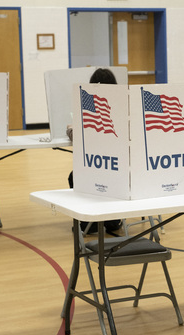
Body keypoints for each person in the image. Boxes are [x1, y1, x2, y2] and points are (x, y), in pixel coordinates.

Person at [68, 68, 122, 234]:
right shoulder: (122, 105)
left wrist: (70, 130)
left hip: (97, 168)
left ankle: (87, 222)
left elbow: (79, 137)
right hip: (119, 168)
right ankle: (112, 220)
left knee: (75, 176)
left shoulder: (89, 107)